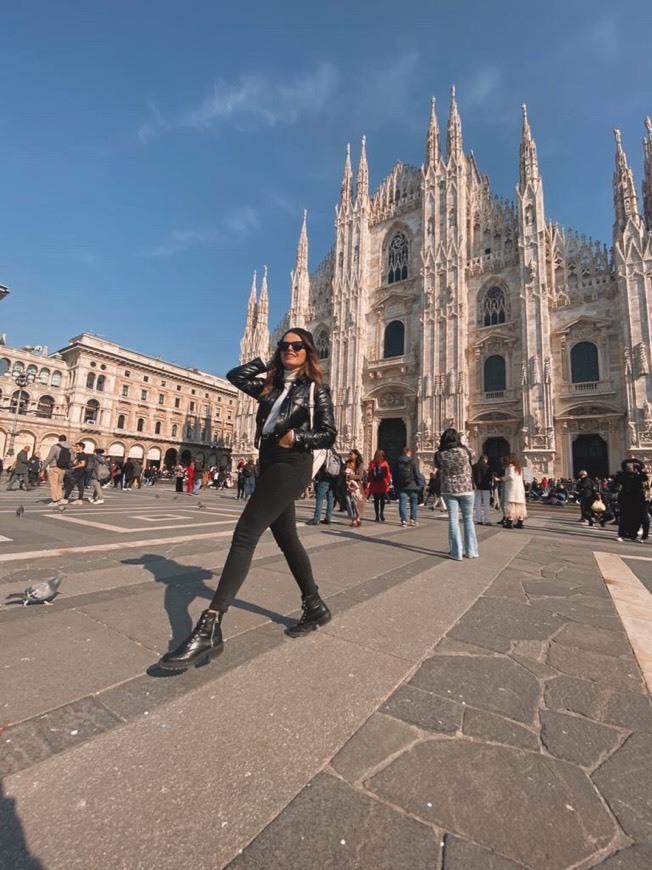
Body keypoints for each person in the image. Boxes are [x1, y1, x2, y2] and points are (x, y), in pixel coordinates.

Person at [159, 328, 337, 670]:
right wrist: (268, 357)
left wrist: (295, 436)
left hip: (292, 462)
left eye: (296, 346)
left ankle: (211, 623)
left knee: (245, 534)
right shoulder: (269, 387)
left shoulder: (316, 389)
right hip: (268, 461)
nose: (289, 350)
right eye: (284, 346)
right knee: (288, 540)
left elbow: (329, 433)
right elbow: (235, 376)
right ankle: (314, 606)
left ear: (309, 352)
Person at [435, 428, 478, 560]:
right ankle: (471, 551)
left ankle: (456, 552)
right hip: (466, 489)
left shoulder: (439, 454)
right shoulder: (465, 451)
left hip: (449, 489)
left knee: (453, 520)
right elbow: (475, 454)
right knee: (468, 519)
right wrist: (462, 444)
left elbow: (437, 466)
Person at [613, 458, 648, 542]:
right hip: (626, 498)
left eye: (632, 465)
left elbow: (645, 478)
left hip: (637, 499)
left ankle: (633, 535)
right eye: (628, 465)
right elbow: (617, 481)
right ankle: (622, 534)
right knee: (624, 517)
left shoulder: (639, 475)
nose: (630, 467)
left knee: (636, 518)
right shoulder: (623, 475)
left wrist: (639, 469)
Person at [41, 434, 74, 504]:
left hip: (54, 466)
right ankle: (59, 498)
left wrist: (42, 468)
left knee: (54, 484)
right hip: (63, 468)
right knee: (59, 484)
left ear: (59, 439)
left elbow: (49, 458)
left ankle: (55, 500)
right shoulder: (70, 448)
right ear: (66, 440)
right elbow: (72, 459)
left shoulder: (55, 446)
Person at [394, 446, 422, 527]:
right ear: (409, 453)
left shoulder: (397, 461)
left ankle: (403, 520)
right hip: (412, 485)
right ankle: (413, 520)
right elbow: (417, 473)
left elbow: (394, 474)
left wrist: (395, 484)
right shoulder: (412, 461)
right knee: (413, 502)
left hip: (401, 486)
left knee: (402, 502)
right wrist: (420, 484)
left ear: (402, 453)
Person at [501, 453, 527, 529]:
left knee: (511, 505)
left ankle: (509, 522)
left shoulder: (510, 466)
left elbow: (510, 476)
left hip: (513, 489)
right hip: (519, 489)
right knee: (520, 506)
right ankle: (520, 522)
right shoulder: (518, 468)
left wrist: (501, 479)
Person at [366, 449, 392, 522]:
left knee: (376, 500)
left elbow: (370, 474)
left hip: (374, 484)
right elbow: (387, 473)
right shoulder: (384, 463)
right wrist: (389, 482)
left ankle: (377, 516)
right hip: (383, 483)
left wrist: (369, 481)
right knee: (382, 500)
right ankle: (382, 514)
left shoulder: (372, 462)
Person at [472, 454, 493, 525]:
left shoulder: (474, 466)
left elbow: (472, 476)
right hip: (486, 487)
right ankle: (487, 520)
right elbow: (490, 479)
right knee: (486, 504)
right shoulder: (488, 467)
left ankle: (479, 520)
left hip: (477, 487)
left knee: (477, 503)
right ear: (485, 459)